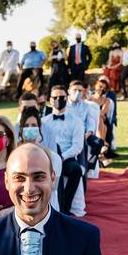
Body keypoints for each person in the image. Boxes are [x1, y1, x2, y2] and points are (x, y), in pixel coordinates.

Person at [42, 85, 85, 214]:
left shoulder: (76, 121)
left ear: (66, 98)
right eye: (55, 97)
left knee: (76, 170)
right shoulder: (43, 121)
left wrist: (61, 157)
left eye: (61, 97)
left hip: (66, 157)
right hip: (48, 157)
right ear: (50, 100)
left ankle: (65, 207)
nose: (58, 100)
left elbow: (77, 146)